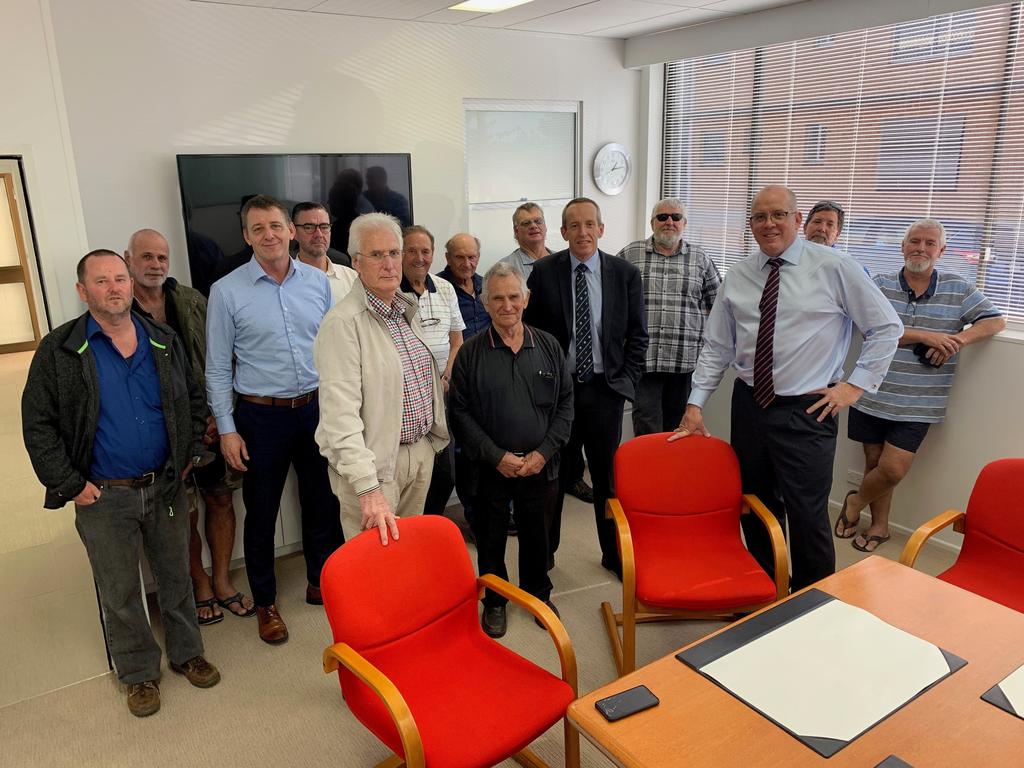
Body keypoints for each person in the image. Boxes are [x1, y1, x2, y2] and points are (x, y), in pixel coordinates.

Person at [671, 185, 902, 591]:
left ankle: (812, 605)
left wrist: (854, 387)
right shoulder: (739, 275)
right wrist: (695, 403)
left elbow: (886, 328)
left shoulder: (834, 267)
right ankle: (767, 590)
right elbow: (717, 346)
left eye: (778, 215)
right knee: (755, 507)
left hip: (808, 410)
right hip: (750, 406)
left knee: (807, 515)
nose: (768, 224)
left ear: (797, 220)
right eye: (759, 217)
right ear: (750, 225)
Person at [22, 250, 219, 717]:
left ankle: (187, 653)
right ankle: (138, 675)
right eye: (102, 281)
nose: (114, 288)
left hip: (166, 486)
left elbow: (192, 398)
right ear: (82, 290)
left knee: (175, 578)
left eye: (120, 279)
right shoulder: (60, 350)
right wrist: (70, 485)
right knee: (121, 590)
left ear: (131, 284)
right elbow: (38, 425)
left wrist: (188, 456)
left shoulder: (162, 338)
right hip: (103, 495)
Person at [206, 195, 343, 645]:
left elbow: (333, 349)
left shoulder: (318, 283)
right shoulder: (226, 291)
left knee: (322, 501)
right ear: (246, 236)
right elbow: (218, 368)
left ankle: (319, 580)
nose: (269, 234)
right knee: (261, 512)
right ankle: (265, 601)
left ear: (291, 231)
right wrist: (227, 429)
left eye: (276, 226)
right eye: (258, 228)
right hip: (260, 416)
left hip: (316, 408)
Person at [836, 218, 1005, 552]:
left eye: (929, 243)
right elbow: (870, 328)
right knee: (873, 463)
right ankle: (880, 527)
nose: (921, 248)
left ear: (941, 251)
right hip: (872, 391)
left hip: (920, 401)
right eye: (915, 241)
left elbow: (994, 320)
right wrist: (926, 336)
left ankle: (854, 503)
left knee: (892, 468)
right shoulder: (880, 285)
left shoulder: (958, 288)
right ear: (903, 247)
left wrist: (957, 340)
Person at [125, 229, 252, 625]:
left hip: (212, 424)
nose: (155, 265)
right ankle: (199, 584)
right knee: (184, 513)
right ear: (129, 258)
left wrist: (219, 414)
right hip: (160, 435)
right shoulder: (121, 313)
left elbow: (225, 357)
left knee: (220, 500)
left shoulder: (193, 300)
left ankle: (223, 581)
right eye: (146, 257)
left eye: (162, 258)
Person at [524, 197, 648, 578]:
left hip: (603, 390)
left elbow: (638, 338)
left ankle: (613, 554)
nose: (583, 232)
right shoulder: (544, 272)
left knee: (607, 479)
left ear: (601, 229)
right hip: (558, 394)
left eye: (590, 224)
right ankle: (546, 559)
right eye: (574, 226)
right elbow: (530, 334)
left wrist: (622, 383)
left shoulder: (624, 274)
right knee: (553, 478)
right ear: (563, 232)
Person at [451, 262, 573, 638]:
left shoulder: (548, 345)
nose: (507, 305)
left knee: (538, 535)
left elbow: (566, 405)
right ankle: (495, 601)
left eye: (514, 297)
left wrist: (543, 453)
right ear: (486, 303)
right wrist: (495, 456)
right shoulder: (470, 354)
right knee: (490, 537)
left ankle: (538, 595)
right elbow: (460, 413)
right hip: (491, 467)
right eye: (498, 298)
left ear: (526, 299)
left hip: (541, 465)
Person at [315, 213, 448, 546]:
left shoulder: (405, 309)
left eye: (394, 253)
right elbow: (339, 416)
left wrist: (428, 446)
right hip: (375, 470)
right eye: (377, 255)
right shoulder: (343, 324)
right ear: (357, 263)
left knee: (406, 560)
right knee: (377, 573)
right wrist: (368, 487)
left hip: (417, 454)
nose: (389, 264)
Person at [502, 203, 594, 504]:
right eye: (525, 223)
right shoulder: (508, 269)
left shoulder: (565, 262)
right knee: (544, 428)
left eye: (538, 220)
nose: (534, 226)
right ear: (516, 232)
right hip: (535, 363)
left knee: (577, 427)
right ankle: (544, 483)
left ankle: (573, 478)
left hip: (574, 362)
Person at [618, 198, 721, 435]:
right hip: (643, 360)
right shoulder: (630, 254)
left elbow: (718, 307)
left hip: (685, 362)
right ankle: (649, 473)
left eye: (676, 217)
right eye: (662, 217)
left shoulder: (701, 259)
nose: (669, 222)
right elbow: (611, 298)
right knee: (646, 426)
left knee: (680, 427)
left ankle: (673, 473)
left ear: (684, 223)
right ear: (652, 222)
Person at [401, 225, 465, 518]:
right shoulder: (394, 294)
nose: (419, 257)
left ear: (433, 254)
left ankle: (432, 525)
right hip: (410, 397)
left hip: (444, 390)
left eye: (425, 251)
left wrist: (446, 377)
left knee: (445, 475)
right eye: (411, 250)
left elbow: (457, 340)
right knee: (414, 475)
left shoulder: (446, 288)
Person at [291, 202, 357, 304]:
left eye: (324, 227)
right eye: (309, 227)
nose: (319, 234)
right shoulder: (285, 283)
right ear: (294, 232)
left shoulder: (352, 278)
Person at [439, 233, 490, 338]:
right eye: (459, 257)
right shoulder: (437, 288)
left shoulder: (487, 285)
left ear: (478, 257)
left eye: (471, 257)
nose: (466, 264)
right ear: (448, 258)